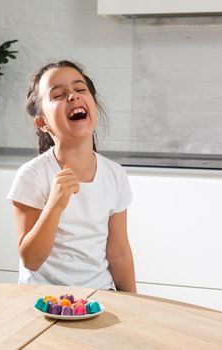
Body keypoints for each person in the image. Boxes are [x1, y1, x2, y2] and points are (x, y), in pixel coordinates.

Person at [7, 60, 136, 292]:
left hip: (99, 297)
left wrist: (134, 307)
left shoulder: (114, 175)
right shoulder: (32, 175)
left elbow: (118, 252)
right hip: (43, 300)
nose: (73, 96)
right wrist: (54, 206)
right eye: (58, 94)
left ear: (93, 105)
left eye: (80, 89)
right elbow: (31, 260)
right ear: (42, 122)